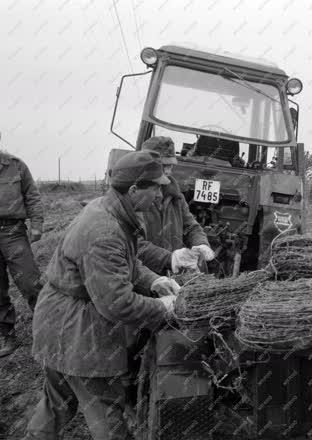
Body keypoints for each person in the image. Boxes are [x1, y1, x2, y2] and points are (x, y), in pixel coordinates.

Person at [25, 151, 181, 440]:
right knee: (107, 417)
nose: (161, 192)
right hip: (76, 333)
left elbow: (126, 261)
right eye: (156, 186)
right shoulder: (104, 231)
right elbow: (117, 303)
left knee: (56, 404)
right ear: (135, 190)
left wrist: (155, 280)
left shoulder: (108, 209)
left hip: (58, 322)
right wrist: (163, 308)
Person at [137, 136, 216, 275]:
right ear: (147, 164)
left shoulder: (174, 195)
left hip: (171, 276)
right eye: (163, 165)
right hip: (142, 277)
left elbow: (190, 226)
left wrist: (200, 243)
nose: (168, 171)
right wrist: (169, 258)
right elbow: (133, 244)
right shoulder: (134, 197)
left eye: (170, 165)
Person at [0, 134, 44, 357]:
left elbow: (32, 196)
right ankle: (7, 335)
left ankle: (46, 329)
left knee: (30, 282)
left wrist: (37, 224)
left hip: (12, 232)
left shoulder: (16, 166)